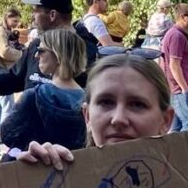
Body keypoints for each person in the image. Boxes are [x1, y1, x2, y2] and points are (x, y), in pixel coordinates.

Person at [15, 53, 174, 170]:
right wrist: (33, 180)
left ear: (166, 120)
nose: (118, 119)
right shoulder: (61, 179)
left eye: (137, 104)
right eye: (106, 102)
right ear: (87, 115)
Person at [0, 28, 87, 160]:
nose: (35, 56)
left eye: (41, 51)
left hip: (35, 169)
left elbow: (7, 135)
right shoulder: (90, 101)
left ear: (59, 56)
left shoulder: (34, 96)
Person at [0, 7, 24, 154]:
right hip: (0, 73)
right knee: (8, 108)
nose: (16, 24)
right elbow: (4, 51)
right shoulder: (0, 32)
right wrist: (22, 54)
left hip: (0, 72)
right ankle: (6, 143)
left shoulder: (5, 32)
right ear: (7, 18)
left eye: (18, 22)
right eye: (14, 21)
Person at [161, 3, 188, 131]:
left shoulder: (175, 34)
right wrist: (185, 88)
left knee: (175, 129)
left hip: (175, 90)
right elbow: (174, 64)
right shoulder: (176, 36)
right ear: (183, 17)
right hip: (179, 91)